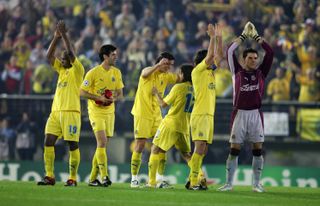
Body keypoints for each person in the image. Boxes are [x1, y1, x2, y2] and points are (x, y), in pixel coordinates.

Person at [218, 22, 274, 192]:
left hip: (256, 114)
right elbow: (229, 50)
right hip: (239, 114)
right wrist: (243, 36)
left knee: (258, 149)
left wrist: (257, 38)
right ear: (243, 59)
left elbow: (270, 52)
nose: (254, 60)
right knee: (234, 150)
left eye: (256, 58)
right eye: (250, 58)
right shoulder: (237, 72)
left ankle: (256, 184)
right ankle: (228, 184)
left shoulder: (261, 73)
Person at [37, 20, 85, 186]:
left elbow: (71, 54)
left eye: (64, 58)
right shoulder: (62, 71)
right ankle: (49, 176)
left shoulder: (78, 70)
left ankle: (73, 178)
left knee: (72, 144)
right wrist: (56, 37)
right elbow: (48, 56)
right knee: (48, 141)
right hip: (55, 113)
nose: (61, 60)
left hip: (71, 112)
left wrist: (64, 34)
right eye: (62, 59)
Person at [130, 52, 182, 188]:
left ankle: (158, 179)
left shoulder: (166, 76)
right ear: (160, 62)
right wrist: (158, 65)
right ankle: (134, 179)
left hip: (157, 115)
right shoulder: (149, 72)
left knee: (161, 146)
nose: (168, 67)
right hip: (142, 113)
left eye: (170, 65)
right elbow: (144, 73)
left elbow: (180, 78)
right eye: (166, 64)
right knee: (140, 145)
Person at [80, 44, 124, 187]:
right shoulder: (92, 73)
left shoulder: (116, 72)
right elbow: (82, 92)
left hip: (110, 112)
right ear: (105, 56)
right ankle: (105, 176)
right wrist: (98, 98)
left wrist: (113, 99)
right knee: (102, 142)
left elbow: (120, 94)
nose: (116, 56)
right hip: (96, 112)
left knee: (102, 145)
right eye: (113, 54)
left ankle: (93, 179)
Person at [186, 23, 222, 190]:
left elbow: (218, 58)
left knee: (204, 150)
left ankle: (192, 178)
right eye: (209, 59)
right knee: (199, 148)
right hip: (200, 114)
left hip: (209, 115)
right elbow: (210, 56)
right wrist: (212, 38)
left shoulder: (209, 72)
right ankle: (194, 181)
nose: (212, 60)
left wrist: (219, 39)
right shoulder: (198, 71)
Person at [146, 64, 194, 188]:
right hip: (184, 126)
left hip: (171, 123)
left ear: (183, 74)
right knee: (186, 155)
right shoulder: (195, 89)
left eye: (180, 73)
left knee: (155, 149)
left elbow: (163, 104)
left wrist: (156, 93)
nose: (179, 75)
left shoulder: (178, 87)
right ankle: (200, 178)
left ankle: (152, 182)